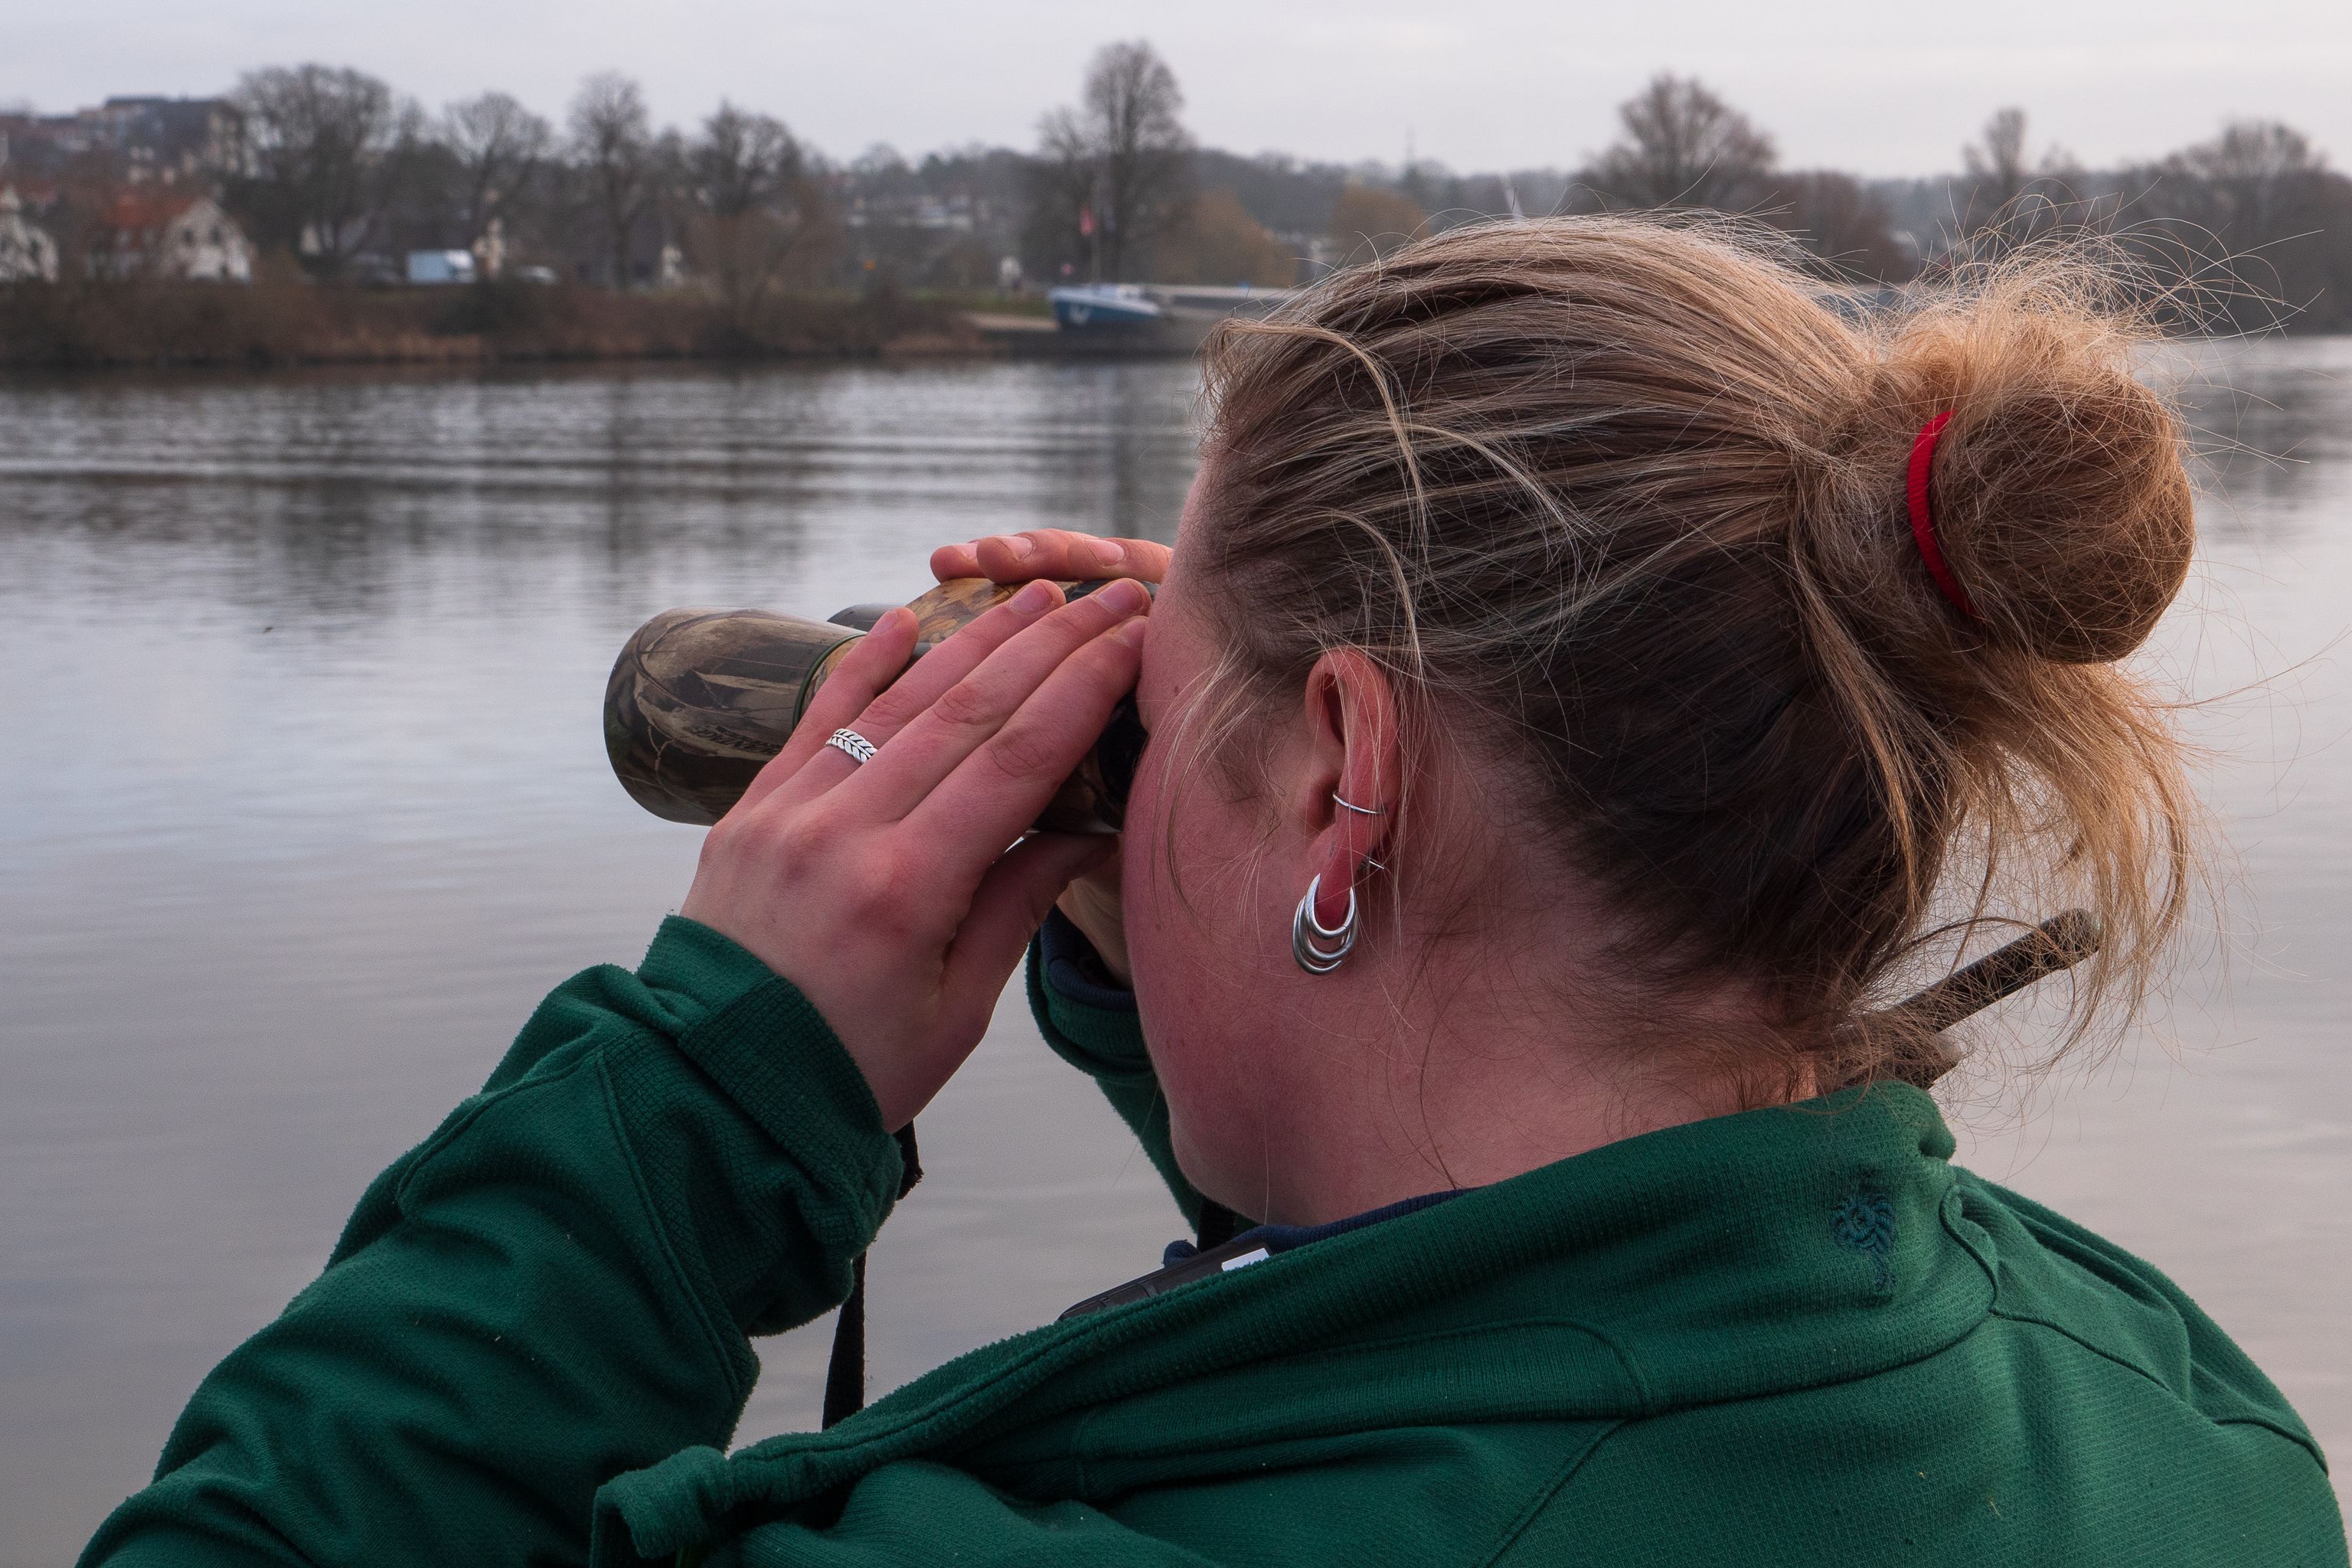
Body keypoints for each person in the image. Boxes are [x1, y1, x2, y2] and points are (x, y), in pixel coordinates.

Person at [83, 218, 2344, 1566]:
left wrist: (698, 1102)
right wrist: (1169, 904)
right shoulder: (2173, 1416)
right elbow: (1512, 1289)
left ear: (1349, 777)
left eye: (1152, 705)